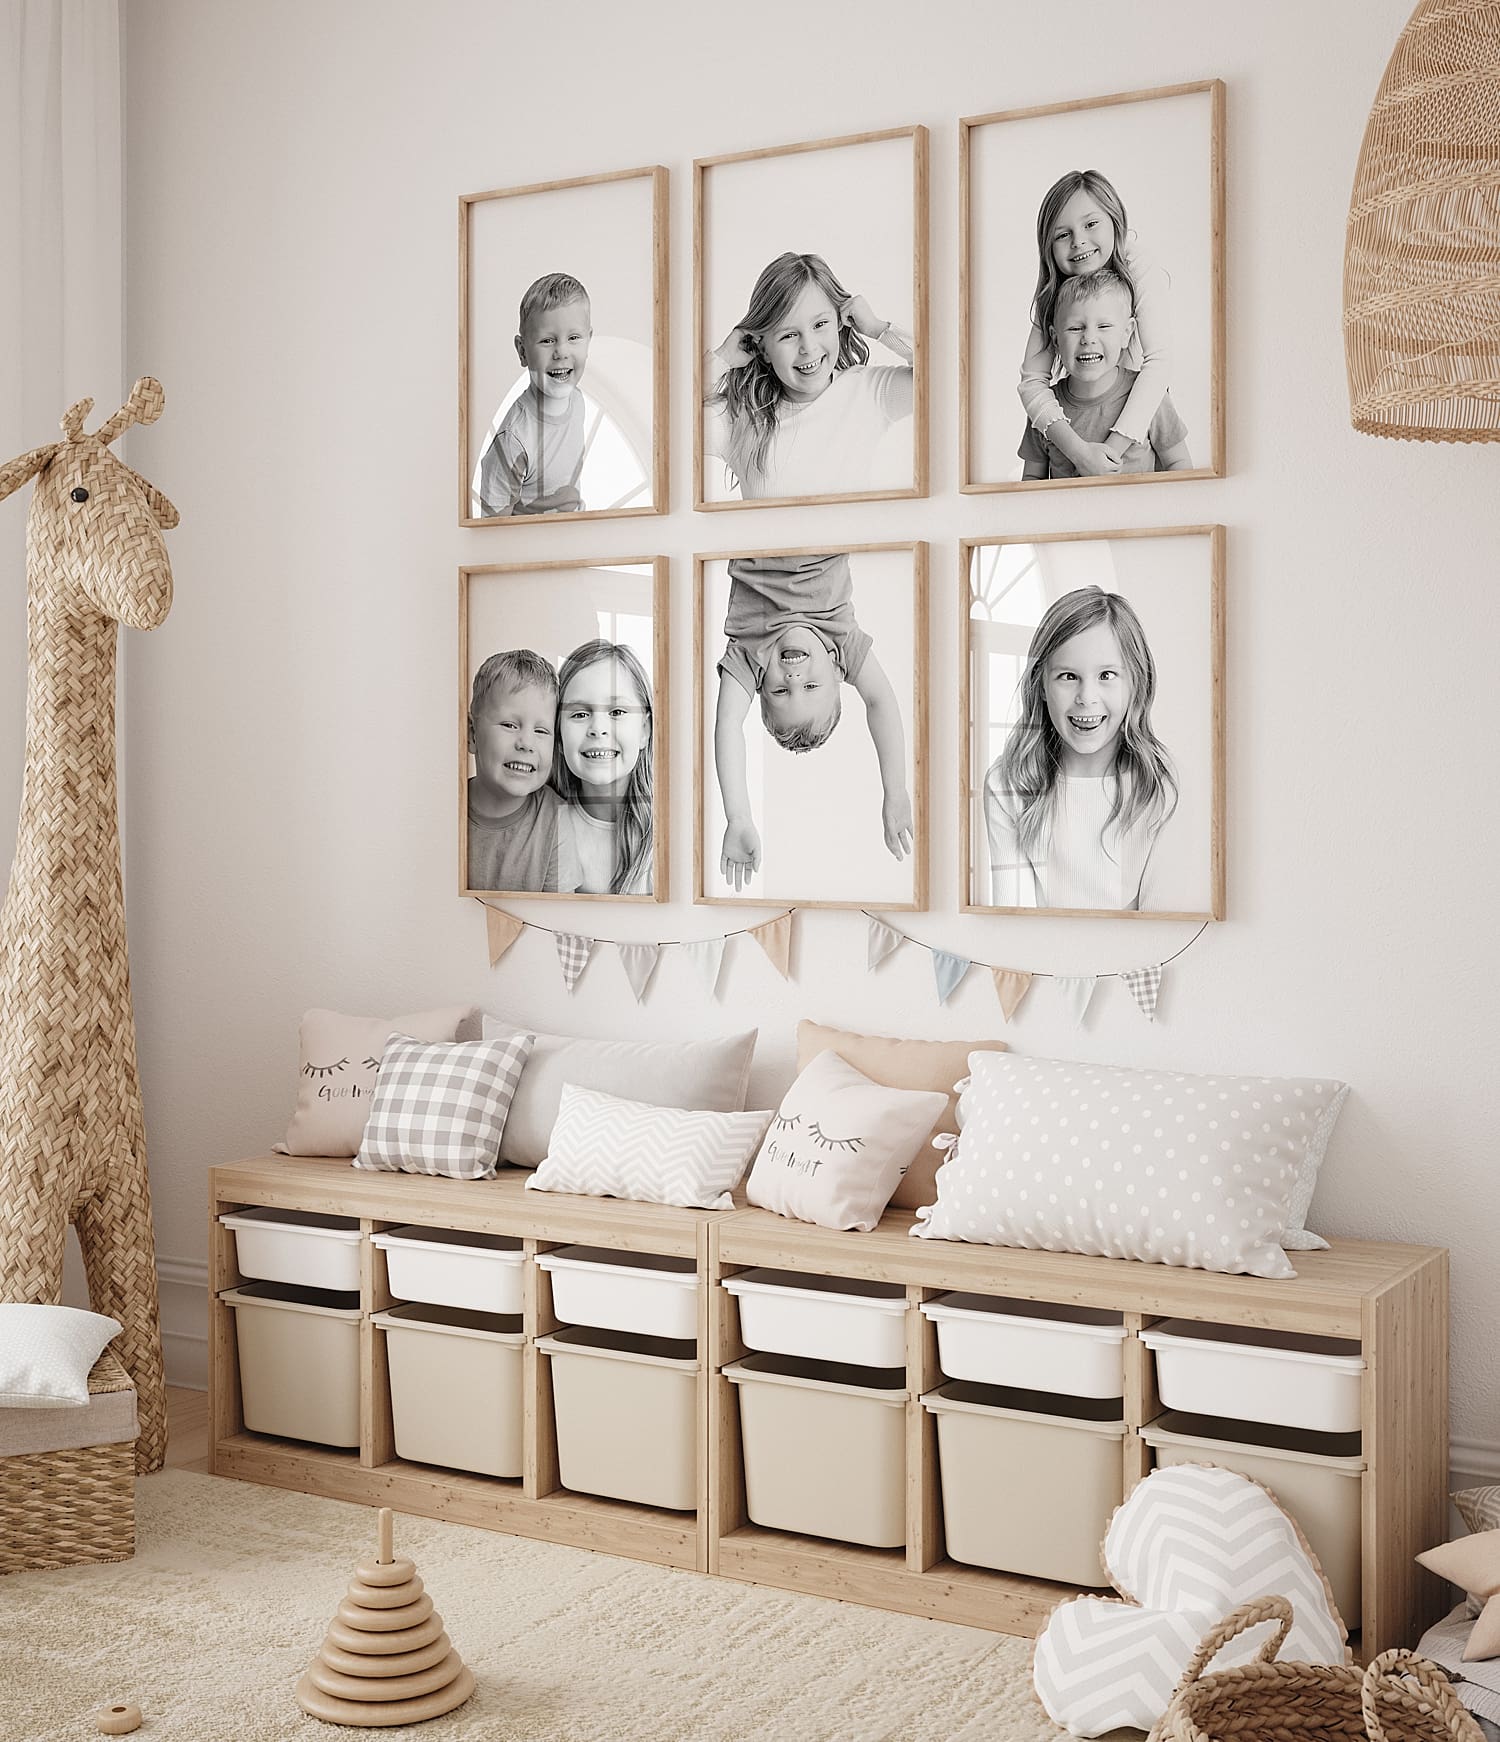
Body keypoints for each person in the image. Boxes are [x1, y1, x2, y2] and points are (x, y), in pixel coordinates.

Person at [714, 552, 913, 892]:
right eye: (810, 686)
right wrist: (895, 791)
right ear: (839, 671)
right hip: (819, 535)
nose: (793, 678)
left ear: (759, 683)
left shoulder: (750, 652)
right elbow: (879, 701)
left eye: (780, 690)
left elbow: (729, 723)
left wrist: (739, 817)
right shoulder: (840, 639)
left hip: (757, 534)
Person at [983, 587, 1177, 911]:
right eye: (1068, 676)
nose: (1087, 696)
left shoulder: (1163, 787)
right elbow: (1013, 925)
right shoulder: (1007, 785)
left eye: (1106, 675)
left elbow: (1164, 939)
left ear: (1135, 685)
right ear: (1041, 685)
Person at [703, 252, 913, 500]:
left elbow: (952, 377)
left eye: (820, 324)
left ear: (840, 322)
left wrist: (879, 329)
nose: (809, 347)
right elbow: (663, 427)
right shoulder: (737, 417)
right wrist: (722, 359)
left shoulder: (870, 391)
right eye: (788, 335)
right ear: (762, 349)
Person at [1017, 171, 1172, 479]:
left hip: (1135, 422)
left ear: (1115, 221)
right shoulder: (1053, 289)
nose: (1079, 242)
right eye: (1063, 235)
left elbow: (1159, 362)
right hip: (1077, 421)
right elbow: (1032, 382)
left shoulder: (1139, 267)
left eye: (1091, 224)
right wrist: (1079, 453)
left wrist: (1108, 454)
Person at [1019, 270, 1191, 478]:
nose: (1088, 338)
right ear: (1055, 339)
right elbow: (1032, 479)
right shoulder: (1046, 410)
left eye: (1104, 326)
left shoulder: (1148, 396)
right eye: (1075, 328)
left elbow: (1178, 463)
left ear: (1127, 333)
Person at [475, 272, 592, 516]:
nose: (561, 352)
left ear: (588, 341)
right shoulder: (513, 440)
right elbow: (492, 535)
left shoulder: (577, 401)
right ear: (522, 351)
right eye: (547, 340)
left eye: (573, 338)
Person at [552, 640, 655, 896]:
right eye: (579, 714)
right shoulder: (544, 828)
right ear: (558, 736)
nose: (598, 728)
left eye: (617, 711)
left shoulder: (675, 833)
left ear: (645, 730)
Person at [466, 648, 561, 892]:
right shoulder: (442, 813)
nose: (526, 743)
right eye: (509, 725)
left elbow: (559, 919)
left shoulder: (559, 821)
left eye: (541, 731)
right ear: (472, 734)